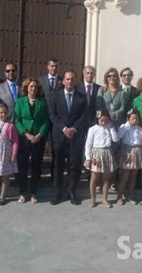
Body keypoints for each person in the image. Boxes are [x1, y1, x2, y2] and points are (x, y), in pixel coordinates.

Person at [48, 70, 87, 205]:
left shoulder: (82, 97)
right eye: (67, 79)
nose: (70, 81)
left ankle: (72, 192)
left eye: (72, 79)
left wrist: (73, 128)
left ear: (75, 81)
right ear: (63, 81)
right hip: (59, 134)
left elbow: (83, 116)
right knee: (58, 164)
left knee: (74, 164)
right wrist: (64, 128)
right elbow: (52, 114)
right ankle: (57, 192)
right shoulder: (55, 96)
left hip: (76, 135)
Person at [14, 78, 50, 204]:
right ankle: (23, 192)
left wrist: (41, 133)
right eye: (31, 86)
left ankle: (34, 192)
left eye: (35, 87)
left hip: (38, 138)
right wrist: (26, 133)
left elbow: (46, 120)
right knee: (22, 166)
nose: (33, 89)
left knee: (36, 166)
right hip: (24, 138)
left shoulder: (42, 102)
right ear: (26, 88)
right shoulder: (19, 102)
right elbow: (17, 120)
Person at [85, 110, 119, 208]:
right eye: (101, 120)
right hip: (96, 154)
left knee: (106, 178)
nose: (103, 122)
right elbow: (88, 144)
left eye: (106, 120)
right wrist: (88, 158)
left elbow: (116, 139)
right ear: (97, 120)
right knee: (94, 177)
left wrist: (111, 127)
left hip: (107, 153)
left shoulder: (110, 128)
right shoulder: (92, 129)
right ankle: (93, 199)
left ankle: (105, 199)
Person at [116, 109, 142, 205]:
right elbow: (118, 136)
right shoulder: (124, 127)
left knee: (134, 176)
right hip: (127, 152)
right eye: (132, 118)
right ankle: (119, 196)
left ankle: (131, 196)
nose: (135, 120)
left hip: (137, 152)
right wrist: (127, 125)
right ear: (128, 119)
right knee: (125, 175)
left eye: (137, 118)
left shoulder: (140, 130)